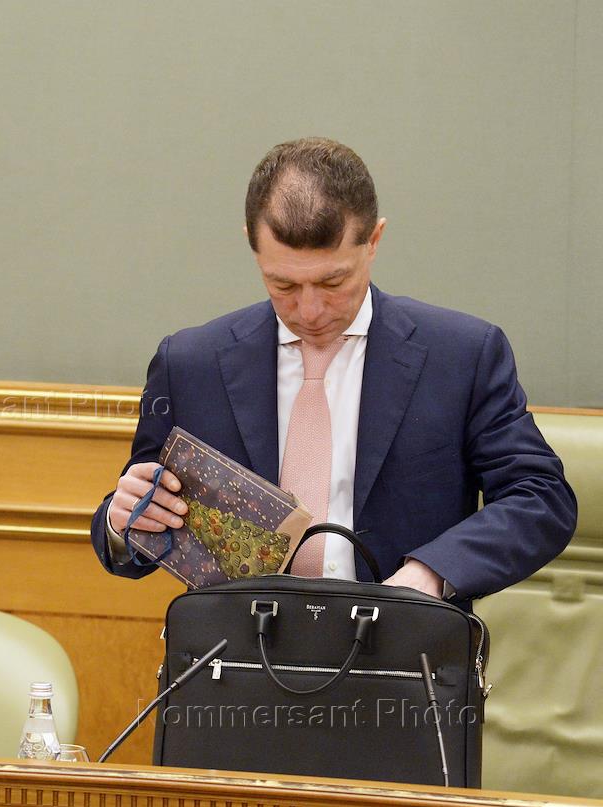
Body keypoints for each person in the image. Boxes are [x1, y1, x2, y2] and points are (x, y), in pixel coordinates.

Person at [91, 137, 576, 604]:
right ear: (252, 247)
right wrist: (121, 520)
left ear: (374, 240)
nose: (310, 311)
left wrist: (432, 574)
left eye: (333, 282)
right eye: (283, 285)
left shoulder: (462, 356)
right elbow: (133, 529)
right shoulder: (190, 363)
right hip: (237, 648)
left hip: (404, 641)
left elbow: (540, 498)